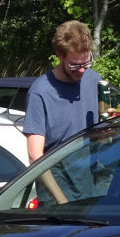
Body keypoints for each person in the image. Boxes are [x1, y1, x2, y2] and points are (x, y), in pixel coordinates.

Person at [23, 20, 101, 203]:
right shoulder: (40, 92)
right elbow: (35, 156)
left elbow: (100, 137)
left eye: (87, 62)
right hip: (59, 194)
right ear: (59, 55)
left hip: (95, 188)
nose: (82, 70)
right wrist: (61, 200)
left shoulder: (94, 80)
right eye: (74, 65)